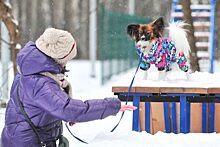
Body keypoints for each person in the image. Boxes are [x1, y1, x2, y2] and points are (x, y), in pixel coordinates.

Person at [1, 28, 136, 147]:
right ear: (60, 58)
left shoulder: (31, 68)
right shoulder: (40, 82)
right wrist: (111, 106)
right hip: (27, 142)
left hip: (21, 138)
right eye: (68, 58)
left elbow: (47, 106)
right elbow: (68, 109)